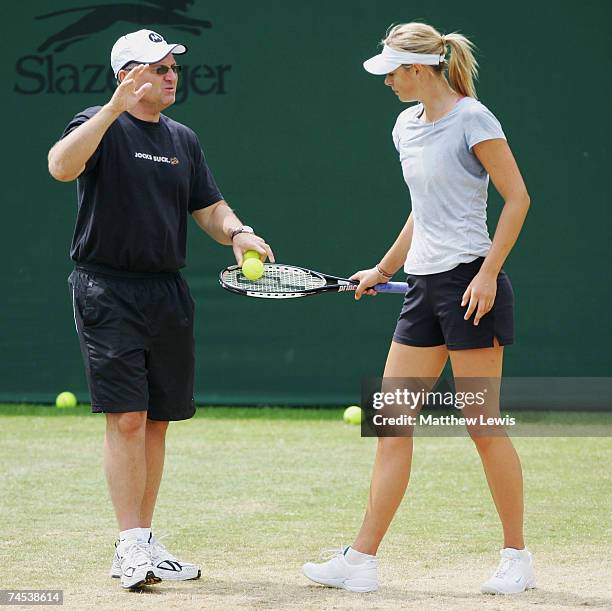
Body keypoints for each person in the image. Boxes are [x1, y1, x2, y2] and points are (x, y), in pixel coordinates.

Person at [302, 22, 533, 595]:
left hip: (469, 285)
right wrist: (383, 269)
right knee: (391, 423)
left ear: (419, 68)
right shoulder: (406, 125)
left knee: (482, 426)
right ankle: (361, 560)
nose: (387, 82)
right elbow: (421, 210)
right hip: (421, 288)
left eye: (392, 72)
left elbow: (518, 198)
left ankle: (517, 557)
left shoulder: (473, 119)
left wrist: (486, 274)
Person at [47, 29, 274, 590]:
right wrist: (110, 109)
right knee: (125, 417)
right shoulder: (95, 124)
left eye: (174, 66)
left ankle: (145, 541)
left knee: (155, 421)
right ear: (128, 74)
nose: (172, 75)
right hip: (105, 289)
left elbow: (209, 207)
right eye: (160, 67)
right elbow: (60, 167)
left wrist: (239, 233)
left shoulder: (182, 139)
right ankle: (127, 547)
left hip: (166, 292)